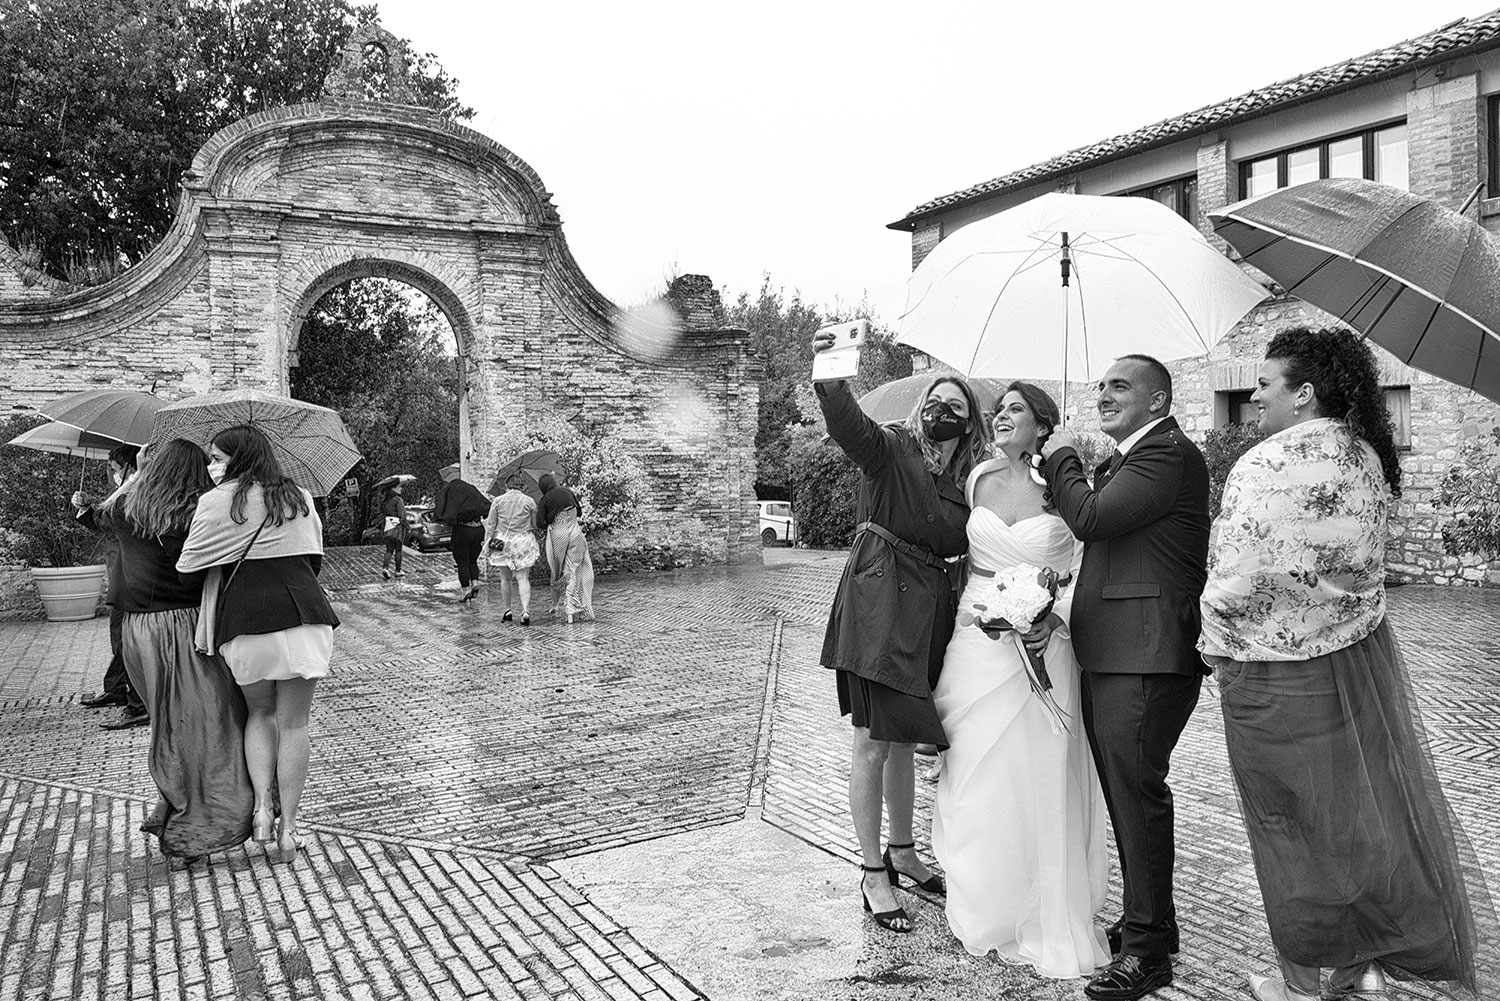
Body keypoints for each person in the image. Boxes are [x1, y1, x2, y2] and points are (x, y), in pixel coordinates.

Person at [1199, 327, 1497, 1001]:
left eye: (1265, 384)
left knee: (1287, 824)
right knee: (1358, 813)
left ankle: (1301, 981)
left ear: (1303, 393)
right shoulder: (1366, 456)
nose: (1254, 395)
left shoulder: (1264, 464)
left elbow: (1237, 574)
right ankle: (1364, 963)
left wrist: (1210, 640)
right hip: (1359, 659)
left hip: (1272, 670)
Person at [1040, 354, 1209, 1001]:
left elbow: (1090, 518)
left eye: (1120, 386)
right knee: (1124, 795)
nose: (1104, 394)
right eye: (1101, 385)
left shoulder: (1167, 454)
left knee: (1138, 797)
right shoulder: (1126, 461)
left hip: (1146, 654)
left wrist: (1063, 456)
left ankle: (1147, 952)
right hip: (1112, 652)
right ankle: (1151, 921)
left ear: (1158, 400)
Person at [933, 382, 1110, 978]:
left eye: (1015, 409)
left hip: (1044, 642)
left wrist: (1053, 617)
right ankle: (984, 898)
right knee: (972, 767)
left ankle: (1043, 904)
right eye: (999, 409)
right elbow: (966, 563)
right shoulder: (978, 479)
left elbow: (1086, 566)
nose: (1001, 416)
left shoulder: (1066, 486)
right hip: (975, 638)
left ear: (1042, 423)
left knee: (1036, 773)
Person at [812, 344, 988, 935]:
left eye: (955, 407)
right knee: (872, 741)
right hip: (880, 603)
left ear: (970, 423)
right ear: (920, 410)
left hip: (931, 611)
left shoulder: (967, 480)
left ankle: (903, 851)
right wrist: (832, 376)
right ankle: (872, 873)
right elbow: (849, 427)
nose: (943, 412)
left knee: (904, 740)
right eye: (935, 402)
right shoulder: (892, 448)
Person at [178, 424, 339, 863]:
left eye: (217, 458)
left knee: (259, 714)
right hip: (304, 615)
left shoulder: (215, 501)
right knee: (295, 724)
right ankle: (289, 831)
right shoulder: (299, 496)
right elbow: (314, 558)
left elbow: (187, 566)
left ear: (237, 459)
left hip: (245, 620)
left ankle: (263, 813)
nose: (212, 466)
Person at [95, 439, 255, 860]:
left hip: (135, 632)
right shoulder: (191, 515)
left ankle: (172, 808)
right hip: (180, 627)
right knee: (208, 725)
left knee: (171, 724)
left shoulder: (127, 508)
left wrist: (139, 472)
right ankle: (193, 828)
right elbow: (191, 577)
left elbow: (101, 512)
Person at [73, 444, 151, 730]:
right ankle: (118, 688)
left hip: (130, 576)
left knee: (125, 637)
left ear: (129, 468)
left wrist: (132, 480)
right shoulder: (127, 492)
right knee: (120, 634)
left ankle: (137, 702)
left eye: (114, 468)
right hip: (123, 573)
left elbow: (107, 518)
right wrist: (86, 509)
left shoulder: (135, 495)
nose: (111, 473)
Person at [537, 472, 595, 623]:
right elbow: (579, 511)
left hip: (558, 533)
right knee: (575, 568)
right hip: (575, 531)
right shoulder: (567, 491)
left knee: (557, 571)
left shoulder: (545, 499)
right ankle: (578, 609)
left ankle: (561, 607)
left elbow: (540, 523)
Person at [484, 474, 540, 625]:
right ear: (521, 486)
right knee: (523, 578)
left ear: (506, 486)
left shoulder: (498, 501)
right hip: (523, 542)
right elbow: (535, 525)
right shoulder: (529, 501)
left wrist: (487, 543)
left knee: (505, 578)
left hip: (503, 542)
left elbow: (490, 525)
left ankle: (508, 611)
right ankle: (525, 611)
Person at [434, 463, 490, 603]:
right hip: (478, 530)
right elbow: (486, 506)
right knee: (473, 560)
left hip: (462, 530)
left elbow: (444, 514)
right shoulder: (471, 489)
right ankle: (475, 583)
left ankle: (465, 591)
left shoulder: (449, 491)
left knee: (462, 563)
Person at [378, 481, 407, 581]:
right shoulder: (398, 500)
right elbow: (401, 515)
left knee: (389, 549)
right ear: (393, 488)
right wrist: (406, 525)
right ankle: (398, 570)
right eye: (399, 487)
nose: (401, 488)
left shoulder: (385, 502)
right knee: (398, 549)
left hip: (387, 527)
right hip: (397, 527)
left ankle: (385, 568)